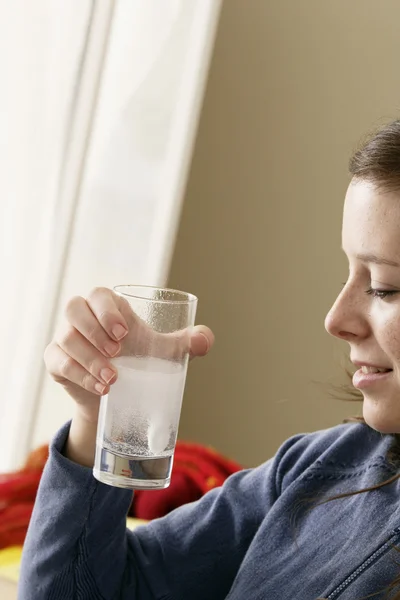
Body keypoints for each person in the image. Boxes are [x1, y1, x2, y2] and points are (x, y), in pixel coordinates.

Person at [18, 120, 400, 600]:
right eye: (349, 273)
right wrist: (99, 415)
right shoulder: (316, 470)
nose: (336, 318)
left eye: (385, 287)